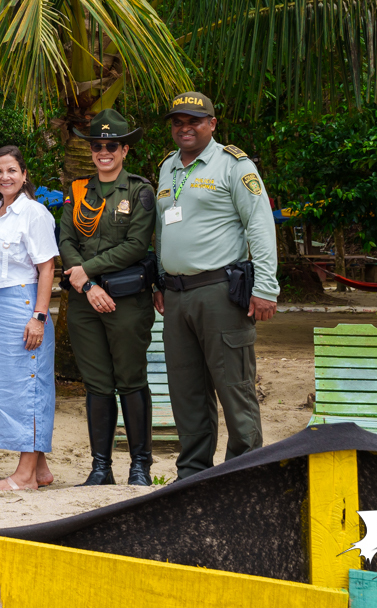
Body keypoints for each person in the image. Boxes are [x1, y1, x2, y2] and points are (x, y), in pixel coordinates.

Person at [154, 91, 279, 480]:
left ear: (212, 124)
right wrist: (160, 279)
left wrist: (266, 287)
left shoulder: (233, 166)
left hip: (220, 293)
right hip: (175, 296)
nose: (185, 128)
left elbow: (259, 226)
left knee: (234, 385)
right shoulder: (167, 168)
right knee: (186, 389)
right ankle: (192, 472)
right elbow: (163, 228)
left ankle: (244, 471)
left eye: (194, 121)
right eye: (178, 121)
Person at [58, 108, 159, 486]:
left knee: (131, 380)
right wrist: (86, 284)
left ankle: (140, 466)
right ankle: (101, 468)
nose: (104, 151)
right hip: (86, 303)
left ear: (124, 150)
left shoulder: (139, 190)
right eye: (97, 145)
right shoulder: (78, 190)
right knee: (98, 384)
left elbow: (136, 244)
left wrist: (89, 271)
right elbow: (66, 239)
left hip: (126, 303)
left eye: (111, 145)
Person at [0, 146, 59, 491]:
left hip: (24, 304)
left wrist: (38, 317)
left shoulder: (34, 213)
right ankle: (40, 470)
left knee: (29, 386)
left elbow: (47, 268)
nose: (5, 177)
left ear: (24, 175)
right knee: (10, 387)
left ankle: (24, 476)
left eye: (12, 170)